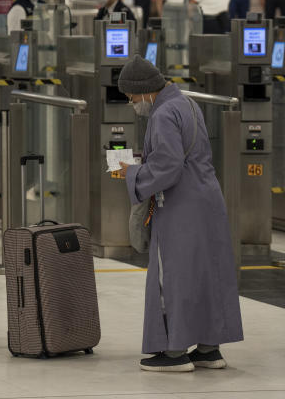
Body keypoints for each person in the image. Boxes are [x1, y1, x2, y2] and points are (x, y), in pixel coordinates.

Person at [117, 56, 244, 373]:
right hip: (207, 199)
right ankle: (208, 348)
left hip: (180, 205)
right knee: (204, 274)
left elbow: (168, 167)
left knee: (172, 276)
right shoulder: (187, 104)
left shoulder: (161, 115)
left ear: (144, 90)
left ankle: (174, 352)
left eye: (131, 96)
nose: (131, 103)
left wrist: (132, 174)